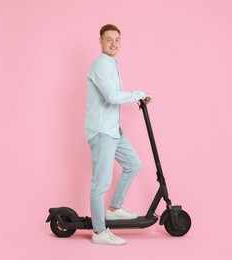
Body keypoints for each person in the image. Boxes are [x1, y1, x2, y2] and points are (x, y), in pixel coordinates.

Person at [84, 24, 152, 245]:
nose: (113, 43)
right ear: (100, 41)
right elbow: (112, 97)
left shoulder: (111, 64)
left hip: (113, 129)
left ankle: (113, 208)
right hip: (102, 131)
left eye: (117, 39)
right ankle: (99, 232)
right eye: (108, 39)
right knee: (100, 183)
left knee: (134, 164)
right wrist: (139, 94)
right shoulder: (101, 65)